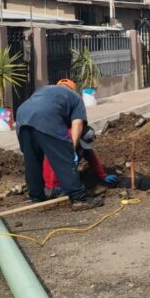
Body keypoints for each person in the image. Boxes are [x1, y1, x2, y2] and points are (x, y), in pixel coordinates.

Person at [15, 79, 102, 210]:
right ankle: (78, 198)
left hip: (22, 116)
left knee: (32, 161)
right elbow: (77, 124)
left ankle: (36, 197)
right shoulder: (75, 97)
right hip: (47, 118)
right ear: (72, 89)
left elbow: (31, 110)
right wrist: (70, 149)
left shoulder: (44, 90)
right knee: (64, 159)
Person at [42, 125, 117, 196]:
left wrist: (103, 175)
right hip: (53, 185)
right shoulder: (63, 142)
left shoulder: (80, 141)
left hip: (67, 176)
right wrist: (54, 186)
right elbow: (54, 165)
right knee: (80, 191)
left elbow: (92, 158)